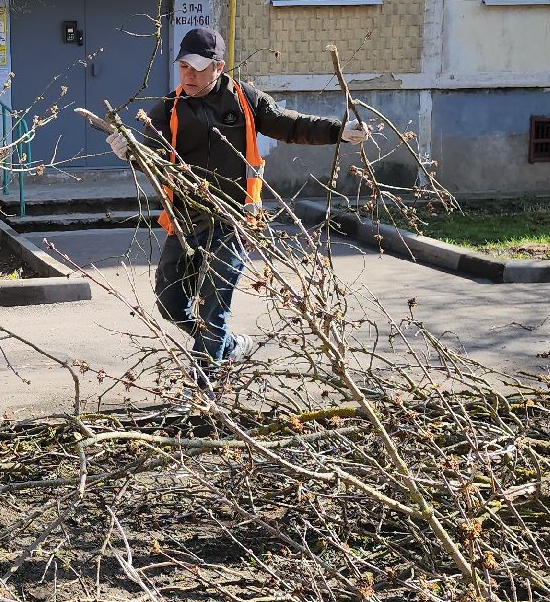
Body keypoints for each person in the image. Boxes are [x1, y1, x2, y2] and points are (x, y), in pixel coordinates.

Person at [111, 26, 371, 378]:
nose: (188, 74)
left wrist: (337, 130)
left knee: (213, 308)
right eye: (183, 67)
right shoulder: (166, 111)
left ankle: (204, 389)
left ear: (218, 67)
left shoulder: (244, 99)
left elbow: (287, 124)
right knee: (170, 303)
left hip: (232, 220)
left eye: (197, 68)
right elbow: (151, 160)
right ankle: (230, 346)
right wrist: (130, 153)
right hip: (186, 222)